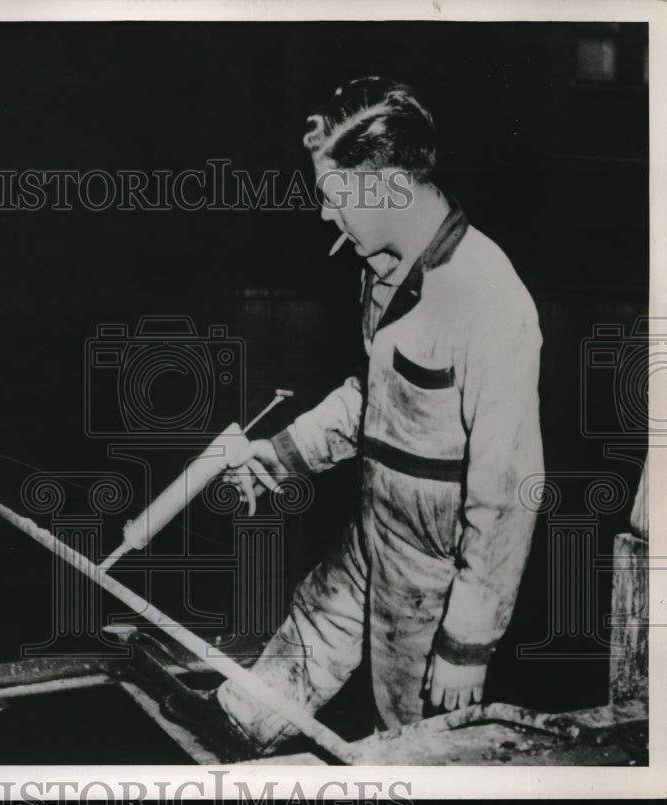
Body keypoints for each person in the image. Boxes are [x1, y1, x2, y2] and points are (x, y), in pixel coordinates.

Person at [213, 77, 545, 753]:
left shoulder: (488, 296)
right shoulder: (380, 266)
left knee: (409, 736)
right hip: (375, 526)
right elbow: (373, 399)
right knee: (282, 665)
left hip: (435, 568)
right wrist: (277, 454)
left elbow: (508, 492)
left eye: (336, 197)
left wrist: (467, 642)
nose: (325, 215)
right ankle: (220, 742)